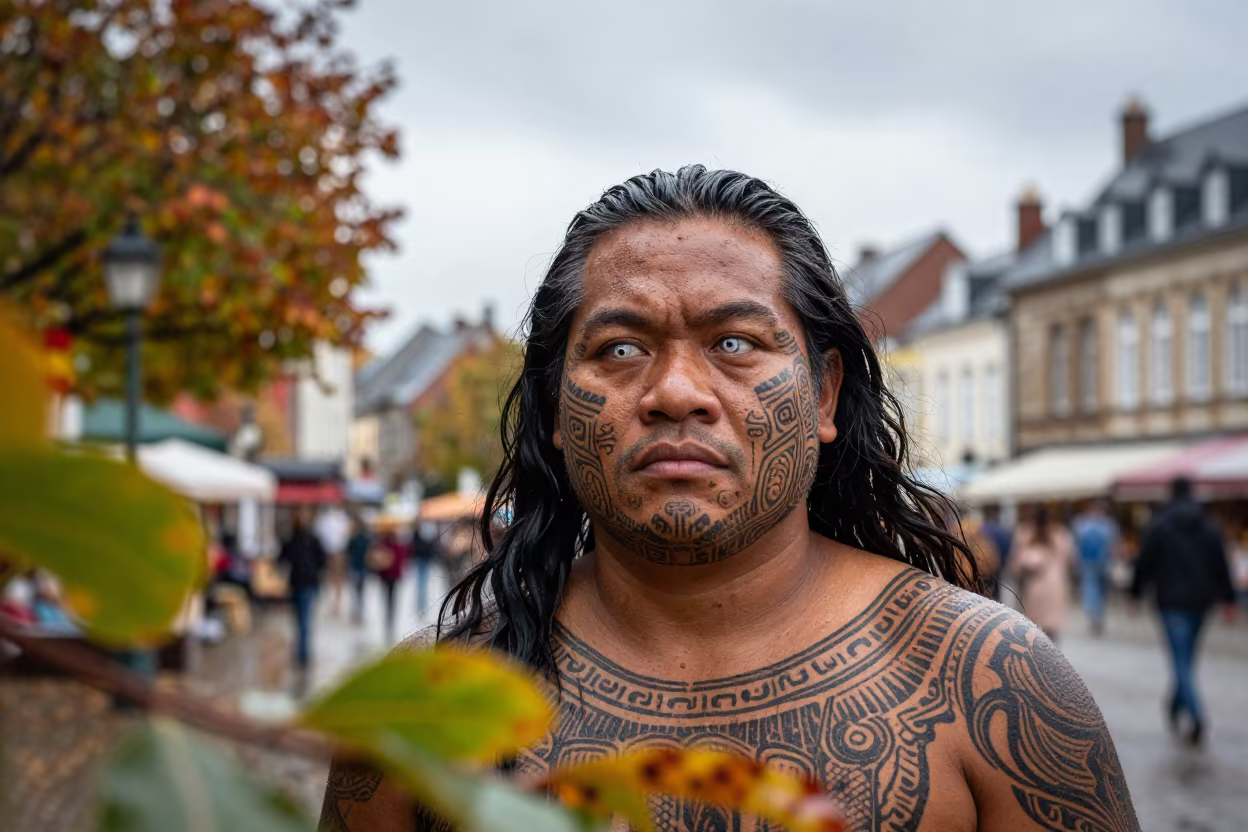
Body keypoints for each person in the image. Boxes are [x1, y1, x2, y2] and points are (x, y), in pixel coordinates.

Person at [321, 166, 1138, 832]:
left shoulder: (991, 685)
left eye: (735, 344)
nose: (677, 391)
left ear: (824, 394)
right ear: (555, 413)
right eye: (621, 347)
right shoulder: (420, 707)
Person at [1131, 476, 1236, 745]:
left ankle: (1196, 715)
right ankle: (1177, 706)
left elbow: (1144, 562)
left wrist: (1135, 593)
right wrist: (1229, 599)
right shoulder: (1208, 525)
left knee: (1181, 661)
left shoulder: (1160, 525)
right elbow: (1220, 563)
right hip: (1202, 602)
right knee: (1186, 659)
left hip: (1171, 602)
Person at [1009, 505, 1075, 643]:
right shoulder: (1061, 534)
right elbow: (1072, 559)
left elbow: (1016, 563)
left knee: (1034, 626)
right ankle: (1051, 656)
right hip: (1056, 583)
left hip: (1033, 585)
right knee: (1051, 625)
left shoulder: (1024, 533)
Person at [278, 508, 327, 672]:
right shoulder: (292, 539)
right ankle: (300, 651)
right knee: (298, 619)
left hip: (308, 584)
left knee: (304, 620)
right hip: (296, 584)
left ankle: (303, 654)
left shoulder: (312, 539)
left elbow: (322, 559)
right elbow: (283, 558)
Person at [1071, 499, 1120, 636]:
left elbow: (1076, 544)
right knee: (1098, 591)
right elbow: (1114, 546)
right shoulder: (1109, 525)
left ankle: (1094, 616)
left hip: (1089, 564)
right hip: (1101, 563)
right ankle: (1097, 617)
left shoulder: (1081, 524)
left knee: (1091, 590)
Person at [315, 505, 351, 618]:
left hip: (338, 550)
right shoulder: (323, 518)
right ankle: (329, 601)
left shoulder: (342, 518)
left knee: (338, 579)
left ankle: (337, 603)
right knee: (327, 577)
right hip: (327, 551)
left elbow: (346, 533)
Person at [374, 526, 406, 642]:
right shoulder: (396, 545)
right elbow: (401, 560)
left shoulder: (383, 544)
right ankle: (390, 615)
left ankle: (388, 615)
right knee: (391, 596)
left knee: (388, 595)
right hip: (392, 576)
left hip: (387, 576)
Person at [979, 503, 1013, 600]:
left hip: (982, 570)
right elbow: (1008, 550)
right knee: (996, 597)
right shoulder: (1002, 530)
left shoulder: (980, 529)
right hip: (997, 570)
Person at [345, 514, 372, 625]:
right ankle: (355, 612)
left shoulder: (363, 538)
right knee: (354, 592)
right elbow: (348, 552)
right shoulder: (353, 538)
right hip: (354, 567)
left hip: (361, 568)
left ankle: (359, 613)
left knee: (360, 591)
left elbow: (368, 552)